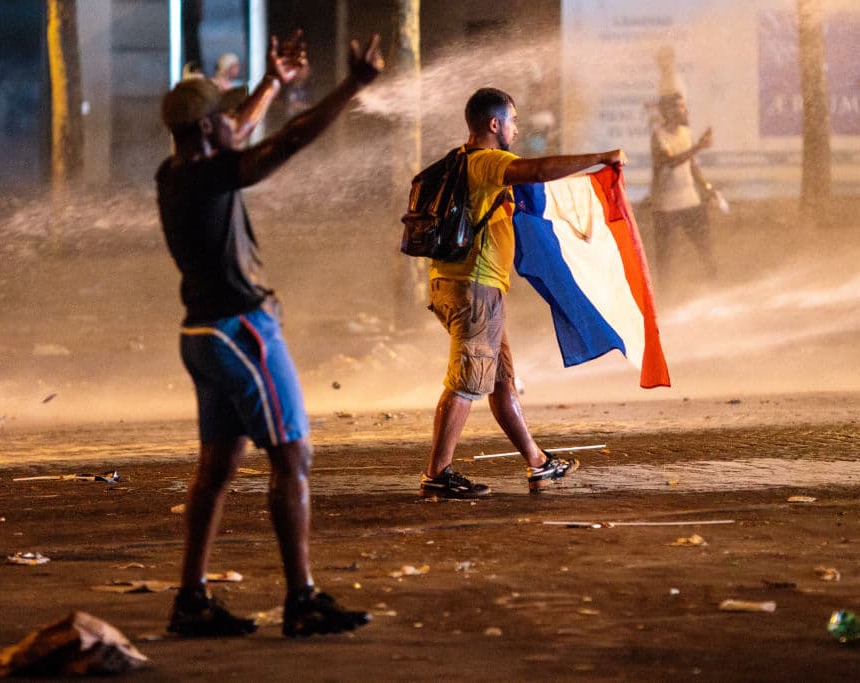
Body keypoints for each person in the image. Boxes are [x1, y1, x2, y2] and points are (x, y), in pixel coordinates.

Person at [156, 32, 383, 638]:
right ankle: (302, 599)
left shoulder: (174, 172)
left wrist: (271, 84)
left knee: (218, 466)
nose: (238, 118)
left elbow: (238, 129)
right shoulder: (211, 178)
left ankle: (192, 599)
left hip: (202, 335)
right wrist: (352, 87)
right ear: (207, 130)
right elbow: (289, 138)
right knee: (292, 455)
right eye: (225, 114)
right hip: (241, 332)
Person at [419, 87, 625, 499]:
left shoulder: (457, 161)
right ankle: (437, 474)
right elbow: (538, 170)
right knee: (467, 380)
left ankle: (538, 463)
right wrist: (599, 158)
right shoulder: (488, 161)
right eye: (512, 120)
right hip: (474, 288)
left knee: (500, 381)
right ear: (494, 124)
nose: (516, 127)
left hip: (457, 283)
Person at [649, 92, 718, 281]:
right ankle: (666, 300)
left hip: (690, 202)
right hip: (666, 207)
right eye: (680, 106)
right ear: (669, 111)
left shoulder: (686, 132)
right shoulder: (659, 136)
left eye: (684, 106)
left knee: (706, 250)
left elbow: (691, 165)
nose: (685, 110)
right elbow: (670, 162)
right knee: (665, 261)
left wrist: (707, 187)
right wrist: (699, 147)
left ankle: (715, 288)